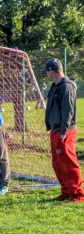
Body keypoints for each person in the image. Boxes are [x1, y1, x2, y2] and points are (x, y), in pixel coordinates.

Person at [40, 58, 84, 203]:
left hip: (65, 130)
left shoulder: (66, 86)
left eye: (47, 72)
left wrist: (64, 130)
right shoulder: (55, 86)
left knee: (69, 162)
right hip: (55, 128)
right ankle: (66, 191)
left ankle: (78, 194)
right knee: (57, 162)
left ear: (51, 71)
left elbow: (68, 110)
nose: (47, 74)